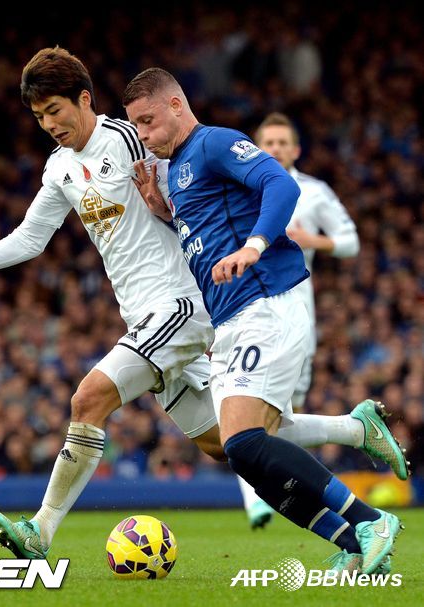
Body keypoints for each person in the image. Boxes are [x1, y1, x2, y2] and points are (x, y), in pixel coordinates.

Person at [0, 49, 404, 570]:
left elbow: (201, 197)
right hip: (144, 316)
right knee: (230, 443)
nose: (49, 124)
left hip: (181, 306)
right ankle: (355, 442)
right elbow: (31, 238)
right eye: (38, 117)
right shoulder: (59, 169)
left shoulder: (130, 139)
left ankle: (41, 530)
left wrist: (251, 242)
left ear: (84, 99)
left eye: (55, 110)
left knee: (89, 398)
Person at [123, 67, 404, 574]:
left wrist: (254, 246)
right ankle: (354, 537)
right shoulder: (177, 170)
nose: (142, 135)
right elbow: (209, 227)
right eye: (136, 125)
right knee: (243, 453)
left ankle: (370, 520)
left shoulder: (213, 143)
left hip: (267, 302)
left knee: (246, 442)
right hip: (230, 319)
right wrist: (164, 212)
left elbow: (280, 184)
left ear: (176, 105)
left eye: (148, 121)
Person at [237, 112, 362, 529]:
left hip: (295, 315)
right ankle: (257, 501)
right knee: (241, 406)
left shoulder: (313, 192)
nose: (274, 149)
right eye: (267, 143)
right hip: (244, 311)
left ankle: (291, 490)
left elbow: (350, 242)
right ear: (255, 148)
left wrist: (314, 240)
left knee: (286, 414)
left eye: (281, 143)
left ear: (296, 150)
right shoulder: (239, 187)